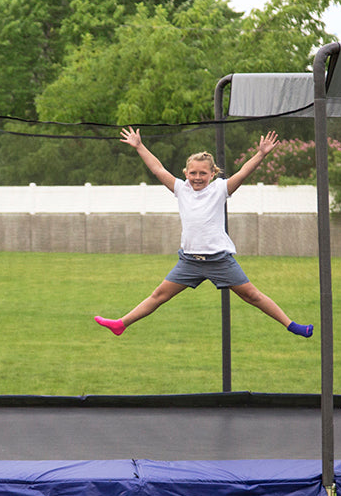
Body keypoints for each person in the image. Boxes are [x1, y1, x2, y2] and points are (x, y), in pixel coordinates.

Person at [95, 127, 313, 338]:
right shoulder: (181, 190)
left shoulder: (219, 189)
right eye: (193, 173)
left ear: (212, 174)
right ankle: (121, 324)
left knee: (252, 295)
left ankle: (291, 324)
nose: (197, 177)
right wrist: (139, 146)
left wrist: (261, 154)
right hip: (189, 261)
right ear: (185, 173)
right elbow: (158, 169)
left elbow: (244, 172)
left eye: (202, 173)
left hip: (219, 260)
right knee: (158, 296)